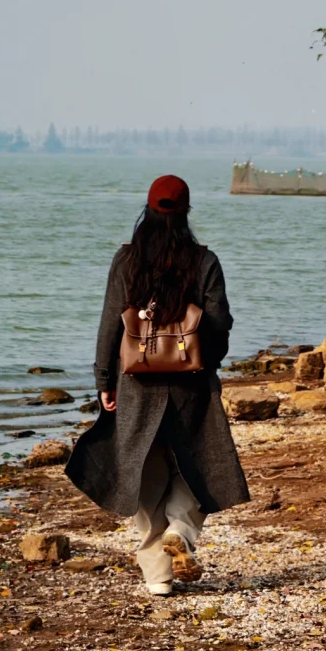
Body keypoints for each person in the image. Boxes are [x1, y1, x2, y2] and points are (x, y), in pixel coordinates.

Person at [65, 174, 250, 594]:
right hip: (192, 382)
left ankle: (159, 578)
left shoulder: (126, 260)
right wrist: (209, 362)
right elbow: (220, 322)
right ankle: (182, 533)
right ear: (186, 214)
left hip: (136, 384)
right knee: (199, 465)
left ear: (147, 211)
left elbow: (110, 322)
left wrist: (104, 379)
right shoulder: (204, 261)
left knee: (145, 475)